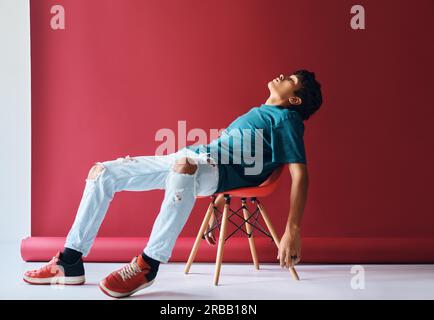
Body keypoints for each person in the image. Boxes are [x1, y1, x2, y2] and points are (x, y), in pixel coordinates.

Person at [23, 69, 323, 298]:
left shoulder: (286, 120)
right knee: (102, 172)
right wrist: (220, 202)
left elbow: (300, 174)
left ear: (294, 99)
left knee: (185, 166)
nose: (283, 76)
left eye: (291, 80)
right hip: (193, 158)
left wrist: (292, 230)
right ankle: (70, 261)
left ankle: (147, 265)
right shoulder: (259, 113)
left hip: (207, 168)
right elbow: (250, 157)